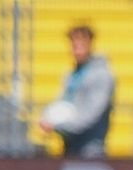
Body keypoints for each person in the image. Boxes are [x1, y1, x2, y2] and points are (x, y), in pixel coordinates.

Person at [38, 22, 113, 158]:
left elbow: (91, 113)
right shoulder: (71, 74)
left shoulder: (101, 75)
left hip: (90, 149)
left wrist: (58, 125)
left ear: (90, 44)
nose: (77, 49)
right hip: (71, 145)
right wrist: (47, 117)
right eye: (74, 45)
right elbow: (63, 101)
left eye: (81, 44)